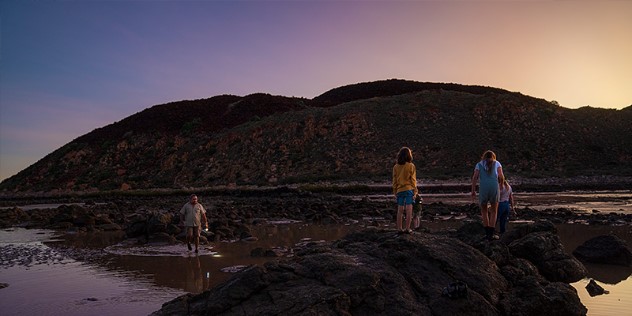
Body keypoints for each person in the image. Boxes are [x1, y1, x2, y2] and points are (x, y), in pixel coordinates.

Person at [471, 150, 504, 241]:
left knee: (484, 211)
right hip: (494, 186)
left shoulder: (479, 164)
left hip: (483, 187)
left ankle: (487, 233)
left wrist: (473, 190)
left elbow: (475, 177)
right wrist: (501, 184)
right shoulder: (497, 163)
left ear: (484, 156)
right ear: (493, 156)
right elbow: (501, 176)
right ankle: (491, 234)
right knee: (494, 211)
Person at [392, 147, 418, 234]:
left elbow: (394, 181)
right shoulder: (411, 166)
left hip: (399, 190)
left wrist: (395, 191)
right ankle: (407, 228)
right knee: (409, 209)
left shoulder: (395, 167)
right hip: (408, 190)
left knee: (400, 210)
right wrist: (415, 191)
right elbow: (413, 180)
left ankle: (399, 229)